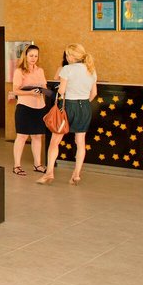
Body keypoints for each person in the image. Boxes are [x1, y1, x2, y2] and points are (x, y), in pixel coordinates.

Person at [37, 43, 97, 186]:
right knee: (80, 142)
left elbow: (62, 91)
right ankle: (76, 175)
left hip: (68, 106)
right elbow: (94, 93)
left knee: (55, 141)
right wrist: (83, 103)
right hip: (85, 108)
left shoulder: (67, 69)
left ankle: (49, 173)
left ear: (70, 56)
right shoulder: (91, 69)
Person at [11, 44, 47, 175]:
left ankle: (37, 164)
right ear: (25, 56)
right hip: (24, 107)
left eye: (36, 56)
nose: (33, 58)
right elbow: (15, 91)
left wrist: (44, 91)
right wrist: (31, 92)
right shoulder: (19, 71)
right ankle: (17, 166)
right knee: (22, 136)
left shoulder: (40, 71)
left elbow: (45, 88)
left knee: (37, 136)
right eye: (31, 55)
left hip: (39, 107)